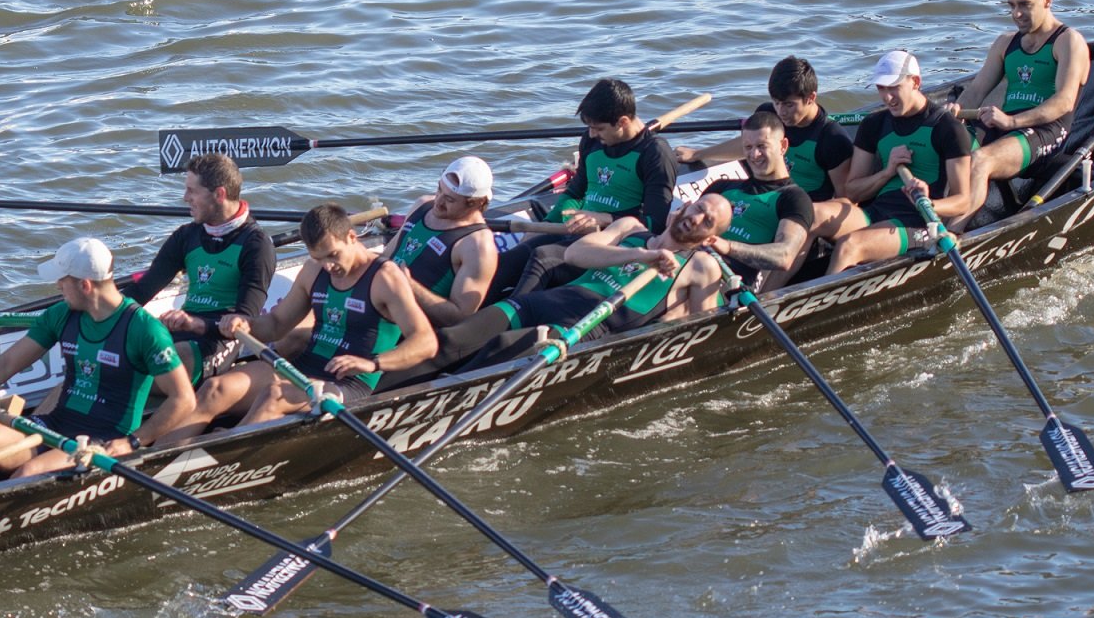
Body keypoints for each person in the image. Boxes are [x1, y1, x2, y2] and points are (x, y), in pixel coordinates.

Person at [416, 197, 734, 377]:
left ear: (709, 239)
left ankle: (435, 392)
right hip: (542, 303)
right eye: (698, 209)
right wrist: (643, 255)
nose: (697, 218)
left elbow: (698, 335)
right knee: (449, 339)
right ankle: (370, 391)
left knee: (501, 348)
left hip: (578, 333)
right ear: (686, 206)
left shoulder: (700, 266)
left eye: (708, 222)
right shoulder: (631, 229)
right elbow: (575, 253)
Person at [0, 237, 194, 477]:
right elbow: (6, 364)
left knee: (29, 472)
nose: (57, 286)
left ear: (85, 285)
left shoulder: (144, 330)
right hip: (54, 426)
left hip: (104, 440)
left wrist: (133, 442)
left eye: (62, 281)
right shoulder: (61, 314)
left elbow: (184, 399)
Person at [217, 205, 437, 425]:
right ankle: (186, 450)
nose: (328, 266)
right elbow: (275, 324)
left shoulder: (386, 278)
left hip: (347, 384)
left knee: (274, 396)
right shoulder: (313, 270)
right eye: (319, 258)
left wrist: (373, 364)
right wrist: (246, 324)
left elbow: (426, 343)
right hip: (304, 369)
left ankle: (216, 455)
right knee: (216, 389)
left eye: (333, 255)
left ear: (352, 237)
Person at [120, 153, 276, 442]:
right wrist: (102, 310)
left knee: (131, 366)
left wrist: (195, 324)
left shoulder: (256, 245)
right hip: (182, 332)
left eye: (192, 191)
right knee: (106, 354)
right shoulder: (186, 236)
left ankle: (133, 444)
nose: (184, 197)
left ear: (219, 194)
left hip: (217, 341)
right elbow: (141, 292)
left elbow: (245, 321)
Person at [496, 79, 678, 298]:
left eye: (598, 128)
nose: (592, 135)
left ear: (622, 122)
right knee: (511, 258)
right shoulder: (591, 141)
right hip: (576, 233)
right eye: (590, 127)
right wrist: (548, 224)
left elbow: (654, 224)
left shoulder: (655, 154)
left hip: (615, 243)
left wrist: (603, 219)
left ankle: (512, 313)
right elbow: (574, 192)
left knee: (542, 257)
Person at [949, 0, 1090, 221]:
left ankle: (953, 235)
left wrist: (1012, 121)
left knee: (980, 160)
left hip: (1047, 132)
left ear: (1047, 0)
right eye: (1011, 5)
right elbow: (977, 90)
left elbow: (1065, 101)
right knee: (946, 147)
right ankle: (916, 227)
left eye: (1025, 5)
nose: (1016, 13)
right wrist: (951, 115)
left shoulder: (1068, 41)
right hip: (1006, 128)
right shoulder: (1005, 43)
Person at [827, 52, 977, 274]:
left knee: (849, 246)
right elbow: (852, 192)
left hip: (917, 222)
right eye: (881, 88)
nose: (886, 98)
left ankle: (817, 306)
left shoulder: (948, 128)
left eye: (893, 87)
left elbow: (963, 201)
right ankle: (770, 295)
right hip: (875, 212)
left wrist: (928, 203)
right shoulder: (873, 124)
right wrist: (886, 172)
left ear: (915, 82)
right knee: (812, 216)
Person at [674, 56, 856, 235]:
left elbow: (845, 198)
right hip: (761, 196)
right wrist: (698, 154)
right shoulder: (768, 112)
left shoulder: (832, 139)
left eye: (789, 105)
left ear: (811, 97)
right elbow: (747, 146)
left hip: (796, 210)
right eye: (777, 103)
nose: (781, 112)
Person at [701, 112, 817, 293]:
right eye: (748, 147)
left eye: (762, 146)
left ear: (783, 146)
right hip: (689, 263)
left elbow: (784, 256)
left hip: (729, 283)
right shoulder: (722, 187)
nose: (754, 155)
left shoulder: (794, 199)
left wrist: (728, 247)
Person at [380, 156, 499, 326]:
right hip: (381, 300)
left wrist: (409, 286)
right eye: (439, 190)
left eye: (450, 200)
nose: (438, 202)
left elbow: (459, 318)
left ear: (475, 204)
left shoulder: (477, 245)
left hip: (412, 325)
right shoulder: (422, 204)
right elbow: (387, 255)